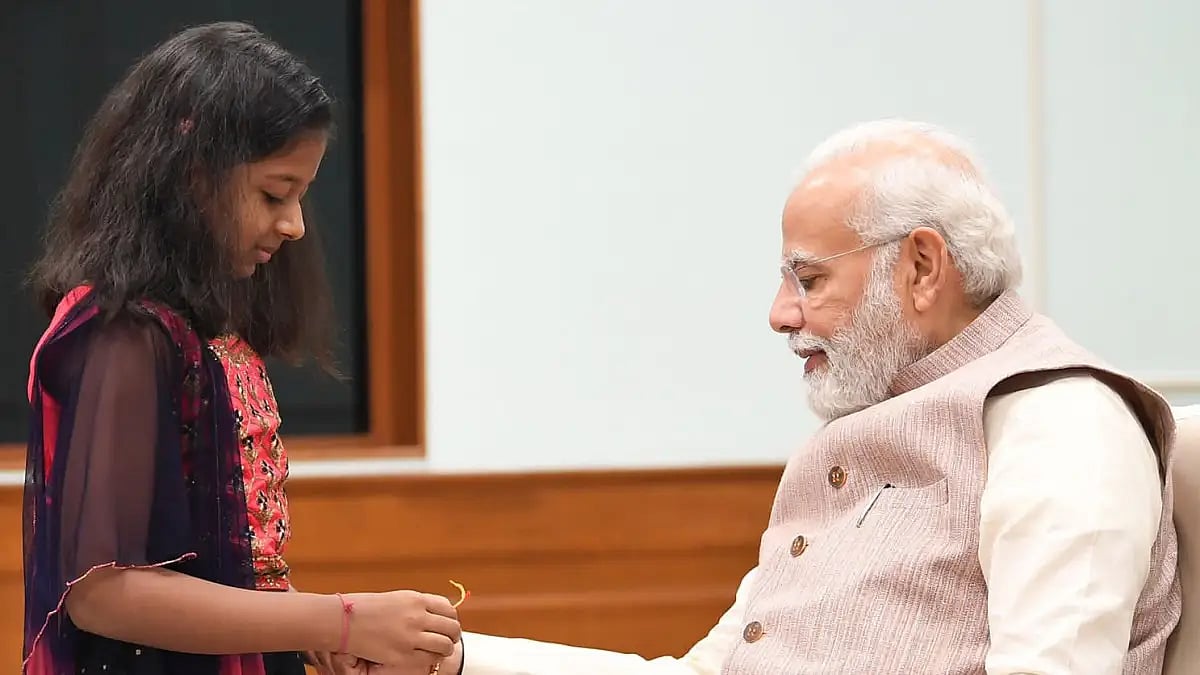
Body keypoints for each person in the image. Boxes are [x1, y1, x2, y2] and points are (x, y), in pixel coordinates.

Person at [421, 120, 1182, 674]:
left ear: (921, 266)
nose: (780, 314)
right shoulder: (869, 426)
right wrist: (454, 661)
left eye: (809, 278)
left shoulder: (1062, 422)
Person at [22, 22, 460, 675]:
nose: (295, 224)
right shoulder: (121, 333)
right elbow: (103, 592)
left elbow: (226, 559)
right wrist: (339, 616)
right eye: (274, 193)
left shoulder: (205, 326)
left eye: (301, 196)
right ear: (192, 175)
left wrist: (314, 635)